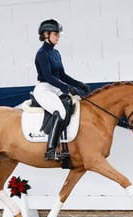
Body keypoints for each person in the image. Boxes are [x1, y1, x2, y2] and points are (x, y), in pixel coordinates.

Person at [33, 19, 90, 161]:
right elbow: (49, 77)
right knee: (60, 112)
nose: (58, 37)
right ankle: (50, 150)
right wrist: (68, 88)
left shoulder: (56, 53)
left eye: (59, 34)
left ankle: (67, 145)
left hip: (56, 88)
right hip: (45, 88)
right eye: (56, 34)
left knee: (76, 104)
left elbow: (62, 75)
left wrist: (79, 84)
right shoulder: (42, 54)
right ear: (46, 34)